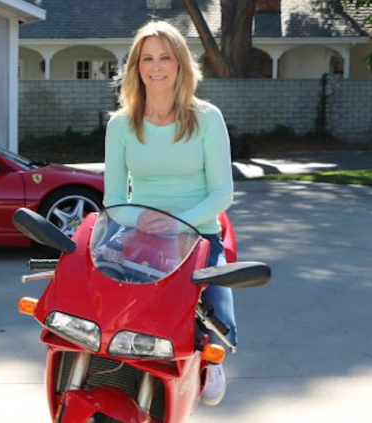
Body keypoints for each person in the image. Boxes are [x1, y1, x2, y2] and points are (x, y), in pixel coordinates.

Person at [103, 21, 235, 405]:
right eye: (147, 58)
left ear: (180, 64)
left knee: (216, 310)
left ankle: (213, 357)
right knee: (100, 299)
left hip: (198, 233)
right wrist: (138, 219)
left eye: (165, 57)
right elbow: (114, 199)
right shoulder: (120, 125)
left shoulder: (207, 117)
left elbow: (222, 193)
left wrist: (182, 222)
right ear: (136, 66)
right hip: (139, 233)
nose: (156, 67)